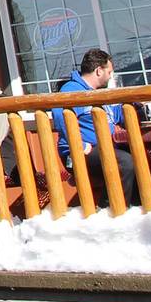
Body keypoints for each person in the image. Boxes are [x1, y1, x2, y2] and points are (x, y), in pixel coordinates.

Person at [54, 49, 136, 202]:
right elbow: (60, 116)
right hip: (79, 151)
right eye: (109, 72)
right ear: (99, 71)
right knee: (124, 163)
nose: (110, 76)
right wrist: (79, 144)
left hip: (104, 147)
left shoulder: (98, 93)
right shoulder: (72, 90)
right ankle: (109, 209)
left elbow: (115, 114)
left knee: (140, 154)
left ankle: (140, 207)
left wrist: (134, 109)